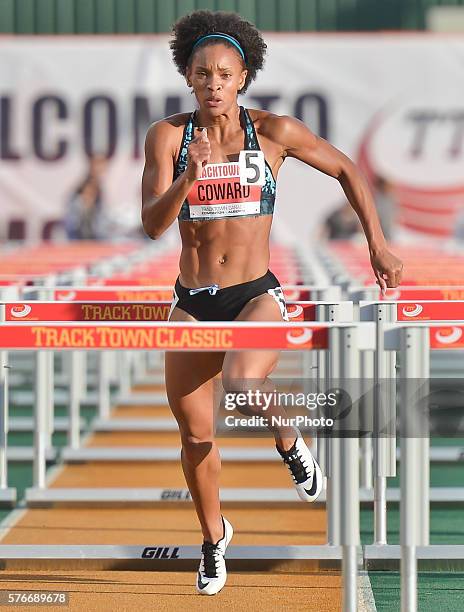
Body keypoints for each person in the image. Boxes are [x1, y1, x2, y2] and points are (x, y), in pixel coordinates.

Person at [141, 9, 403, 596]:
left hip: (254, 293)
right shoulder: (168, 137)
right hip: (191, 299)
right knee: (195, 434)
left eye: (225, 73)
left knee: (242, 383)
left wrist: (377, 245)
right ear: (187, 76)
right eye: (202, 72)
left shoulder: (274, 132)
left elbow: (347, 169)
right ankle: (214, 540)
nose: (213, 83)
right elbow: (152, 225)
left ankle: (290, 440)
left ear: (243, 78)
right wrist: (189, 177)